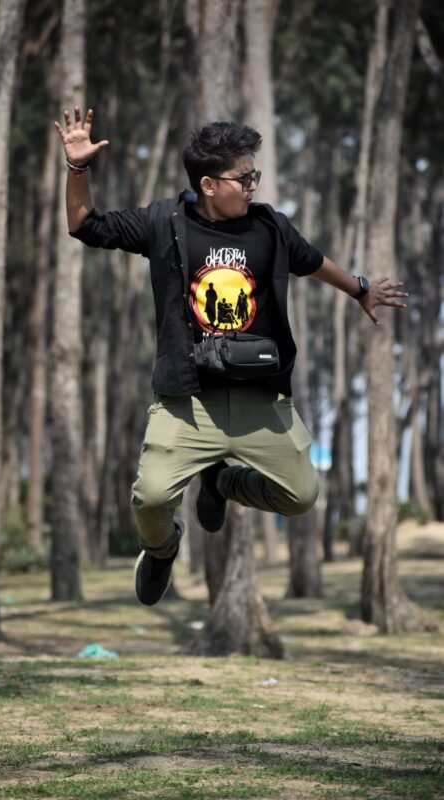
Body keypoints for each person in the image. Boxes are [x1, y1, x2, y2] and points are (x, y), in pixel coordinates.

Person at [54, 107, 408, 606]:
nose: (251, 187)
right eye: (243, 179)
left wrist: (361, 289)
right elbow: (83, 225)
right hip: (188, 403)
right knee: (151, 499)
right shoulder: (163, 222)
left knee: (301, 495)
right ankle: (162, 550)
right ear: (208, 184)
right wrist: (77, 168)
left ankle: (220, 481)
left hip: (259, 399)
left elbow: (312, 261)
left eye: (253, 176)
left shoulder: (269, 227)